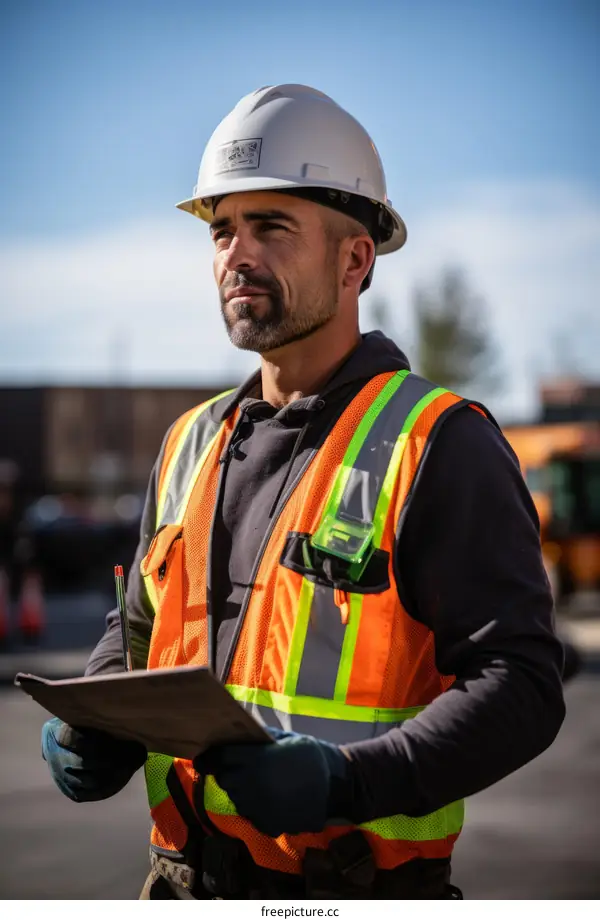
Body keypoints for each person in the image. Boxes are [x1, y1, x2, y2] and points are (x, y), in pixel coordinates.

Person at [41, 84, 566, 900]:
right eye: (222, 231)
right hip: (179, 886)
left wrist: (348, 781)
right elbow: (139, 625)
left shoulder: (439, 443)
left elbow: (524, 688)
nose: (236, 255)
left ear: (356, 259)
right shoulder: (190, 441)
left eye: (272, 227)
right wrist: (95, 719)